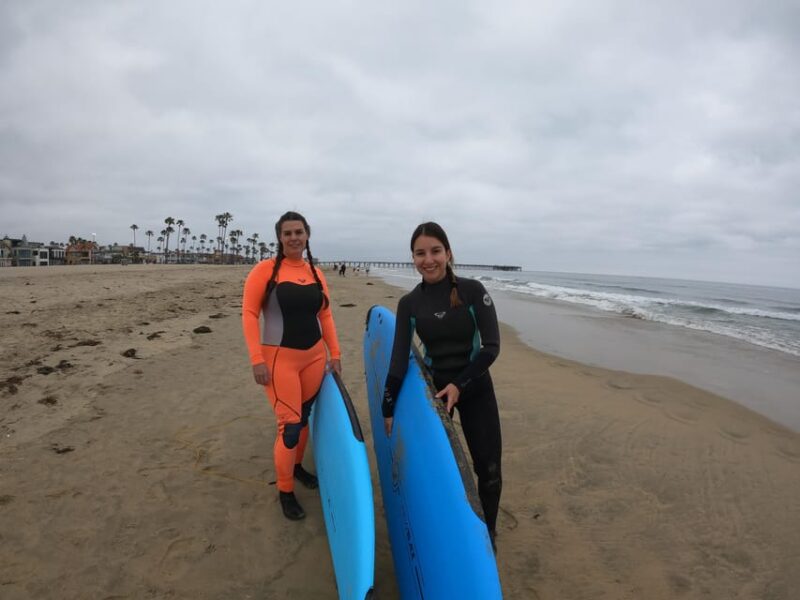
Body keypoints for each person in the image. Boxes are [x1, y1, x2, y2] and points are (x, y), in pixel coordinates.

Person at [382, 222, 502, 551]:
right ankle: (447, 525)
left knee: (488, 469)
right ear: (413, 258)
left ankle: (488, 535)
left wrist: (460, 384)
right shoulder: (410, 303)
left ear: (448, 253)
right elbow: (398, 358)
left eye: (435, 251)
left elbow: (491, 347)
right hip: (434, 395)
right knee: (440, 469)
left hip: (474, 387)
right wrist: (387, 408)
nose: (428, 259)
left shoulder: (472, 291)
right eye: (420, 253)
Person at [242, 211, 342, 521]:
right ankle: (285, 490)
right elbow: (248, 314)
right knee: (289, 427)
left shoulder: (315, 272)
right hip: (279, 361)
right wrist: (256, 359)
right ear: (280, 237)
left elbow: (324, 315)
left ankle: (297, 468)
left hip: (313, 358)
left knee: (305, 418)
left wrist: (334, 353)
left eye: (299, 231)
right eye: (288, 233)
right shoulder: (266, 271)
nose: (294, 237)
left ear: (307, 234)